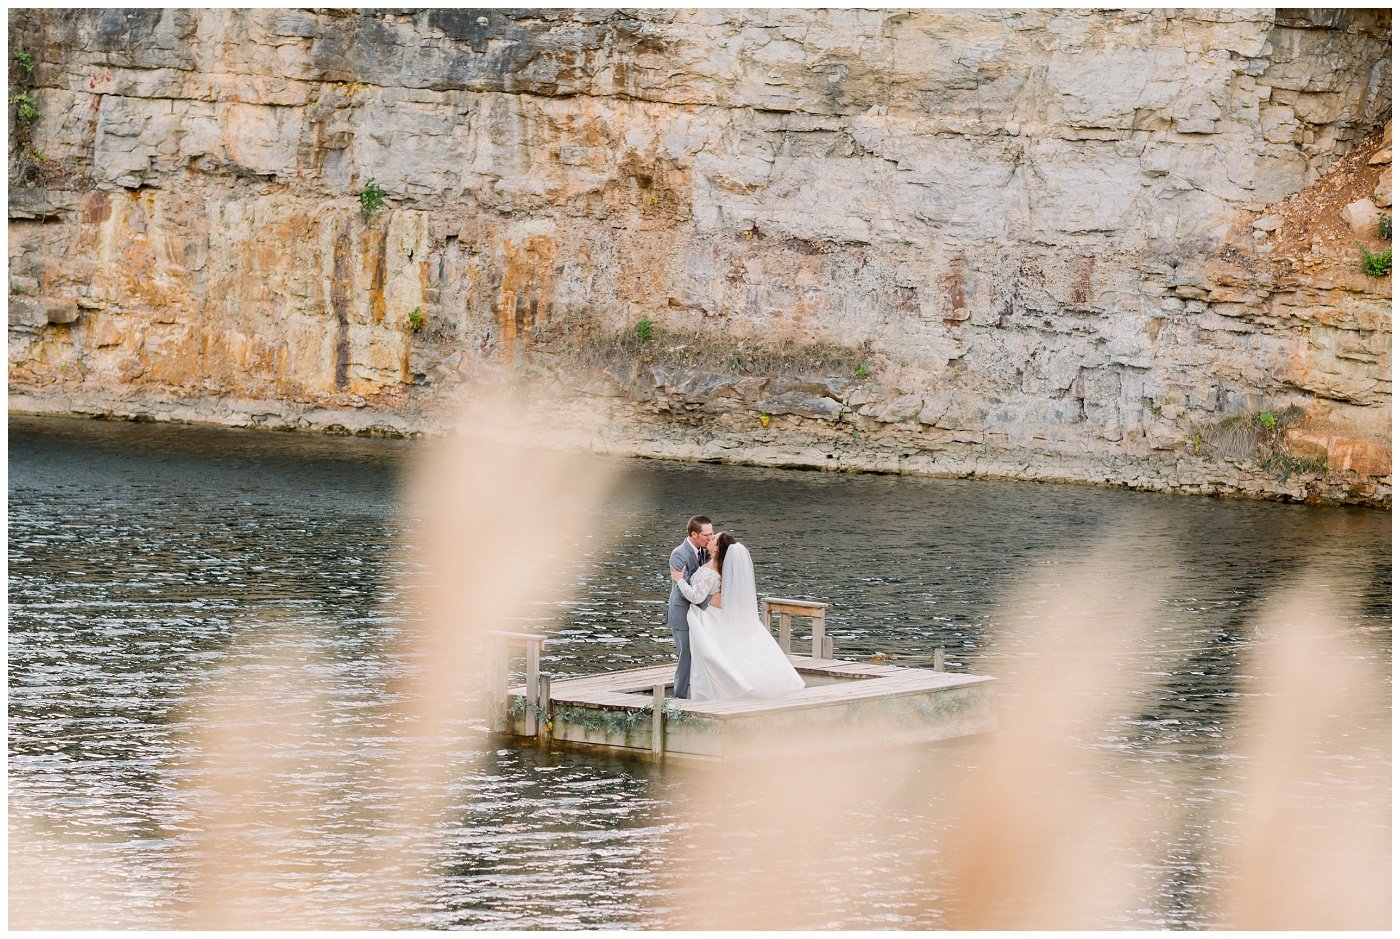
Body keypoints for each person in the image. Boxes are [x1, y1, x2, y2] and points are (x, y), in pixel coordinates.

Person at [671, 532, 805, 701]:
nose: (710, 538)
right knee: (724, 652)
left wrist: (679, 580)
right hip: (716, 615)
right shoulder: (722, 568)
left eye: (713, 539)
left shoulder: (708, 570)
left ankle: (720, 690)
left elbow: (696, 597)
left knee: (708, 654)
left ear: (717, 548)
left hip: (705, 617)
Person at [667, 515, 713, 698]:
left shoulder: (703, 551)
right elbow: (682, 588)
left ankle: (695, 692)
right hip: (682, 613)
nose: (710, 538)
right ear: (694, 534)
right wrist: (708, 603)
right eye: (706, 535)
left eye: (712, 534)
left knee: (697, 654)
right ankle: (678, 698)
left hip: (697, 614)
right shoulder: (679, 554)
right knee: (685, 656)